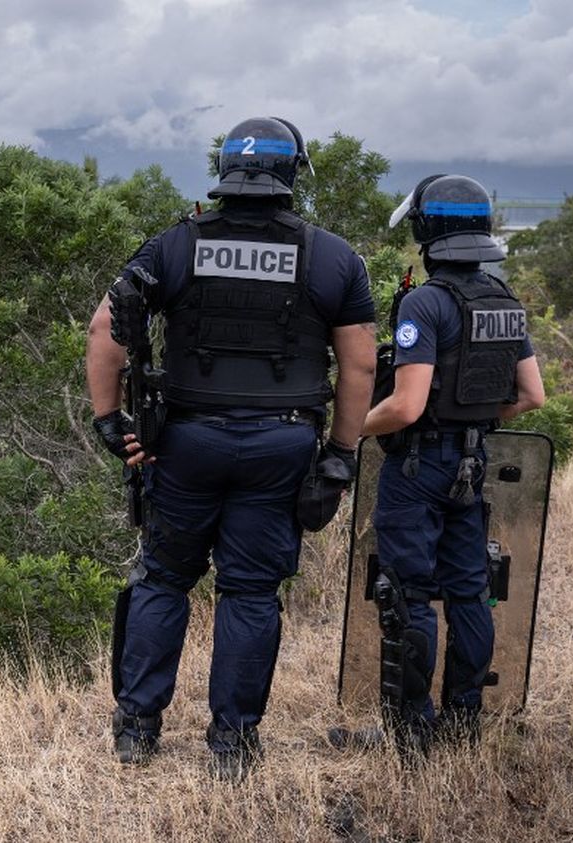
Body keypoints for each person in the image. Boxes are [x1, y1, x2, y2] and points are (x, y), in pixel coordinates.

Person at [85, 116, 377, 779]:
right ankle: (233, 744)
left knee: (163, 577)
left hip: (184, 441)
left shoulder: (175, 245)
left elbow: (107, 324)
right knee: (250, 592)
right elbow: (359, 367)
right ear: (291, 173)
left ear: (226, 173)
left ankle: (137, 729)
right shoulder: (333, 258)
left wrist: (110, 420)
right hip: (281, 445)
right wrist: (339, 452)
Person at [360, 174, 546, 755]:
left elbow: (407, 404)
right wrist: (477, 420)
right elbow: (532, 395)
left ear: (428, 230)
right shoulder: (503, 299)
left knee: (409, 595)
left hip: (419, 467)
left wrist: (350, 430)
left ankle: (412, 729)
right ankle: (464, 720)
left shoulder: (426, 302)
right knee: (470, 593)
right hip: (472, 463)